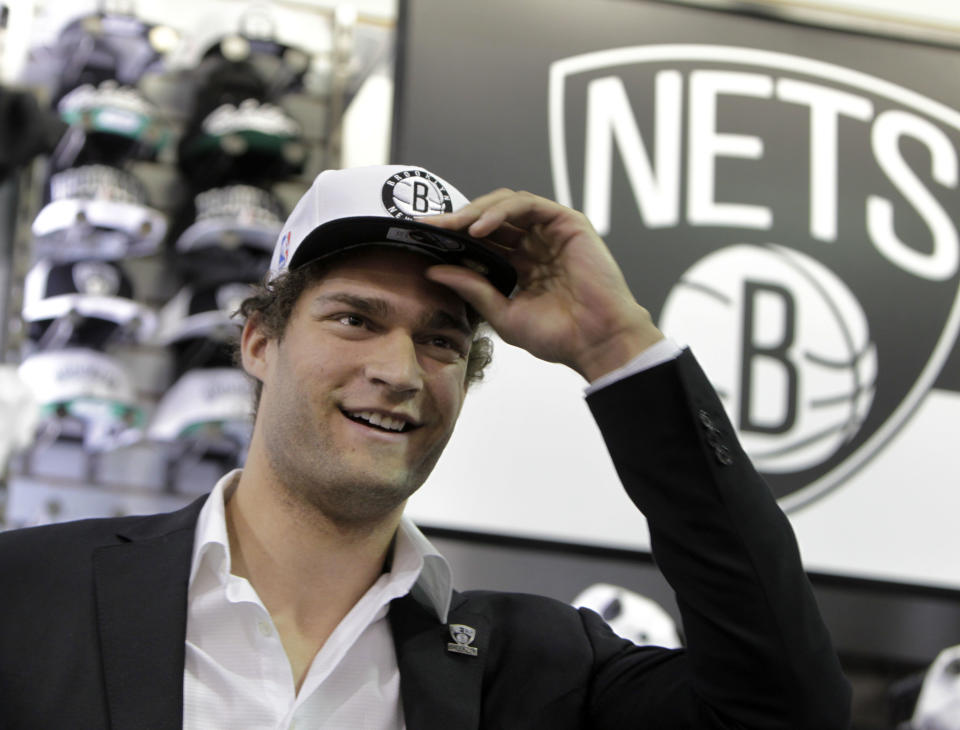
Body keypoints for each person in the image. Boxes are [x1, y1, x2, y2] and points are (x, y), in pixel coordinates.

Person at [0, 164, 851, 729]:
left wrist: (618, 346)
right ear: (258, 339)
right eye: (355, 318)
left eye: (442, 341)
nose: (399, 370)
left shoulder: (541, 673)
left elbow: (787, 710)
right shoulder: (30, 594)